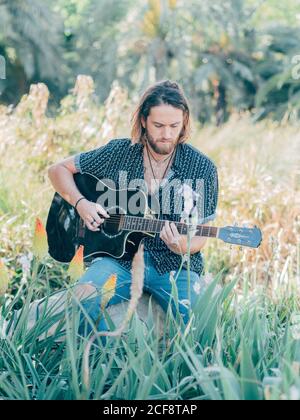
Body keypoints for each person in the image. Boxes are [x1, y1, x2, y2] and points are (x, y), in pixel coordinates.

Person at [48, 80, 219, 336]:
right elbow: (57, 170)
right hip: (118, 260)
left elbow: (201, 237)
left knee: (200, 323)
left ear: (184, 121)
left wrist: (181, 245)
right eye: (158, 126)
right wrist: (82, 203)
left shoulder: (202, 167)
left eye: (175, 125)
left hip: (175, 265)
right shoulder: (119, 152)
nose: (167, 134)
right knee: (82, 302)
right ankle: (104, 362)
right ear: (142, 121)